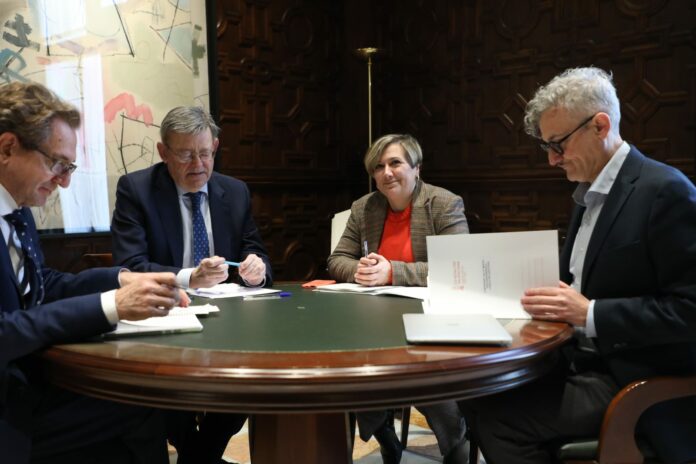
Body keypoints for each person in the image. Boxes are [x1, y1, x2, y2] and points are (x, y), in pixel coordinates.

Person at [460, 67, 696, 463]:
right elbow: (581, 283)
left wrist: (590, 313)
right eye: (547, 146)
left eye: (558, 144)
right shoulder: (589, 192)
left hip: (635, 378)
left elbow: (690, 309)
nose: (552, 159)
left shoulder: (666, 191)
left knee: (500, 420)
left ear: (600, 126)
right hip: (578, 359)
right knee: (472, 393)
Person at [0, 81, 184, 463]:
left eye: (69, 167)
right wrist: (112, 305)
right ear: (7, 148)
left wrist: (120, 279)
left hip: (31, 380)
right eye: (57, 164)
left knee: (142, 396)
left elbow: (41, 284)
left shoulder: (17, 211)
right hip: (8, 405)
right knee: (138, 403)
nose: (65, 181)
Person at [111, 106, 272, 463]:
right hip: (163, 315)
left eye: (204, 153)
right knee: (166, 390)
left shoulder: (235, 191)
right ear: (163, 152)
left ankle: (198, 458)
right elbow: (130, 266)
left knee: (247, 381)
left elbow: (255, 250)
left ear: (215, 147)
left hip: (228, 320)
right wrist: (188, 277)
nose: (198, 164)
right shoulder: (137, 190)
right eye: (185, 154)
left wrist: (256, 270)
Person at [328, 134, 469, 464]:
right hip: (374, 319)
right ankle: (385, 434)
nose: (386, 173)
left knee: (426, 376)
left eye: (395, 163)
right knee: (353, 370)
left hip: (430, 319)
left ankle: (455, 444)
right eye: (378, 167)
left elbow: (458, 265)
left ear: (417, 168)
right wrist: (360, 270)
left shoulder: (444, 204)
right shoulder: (365, 207)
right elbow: (337, 259)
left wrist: (393, 271)